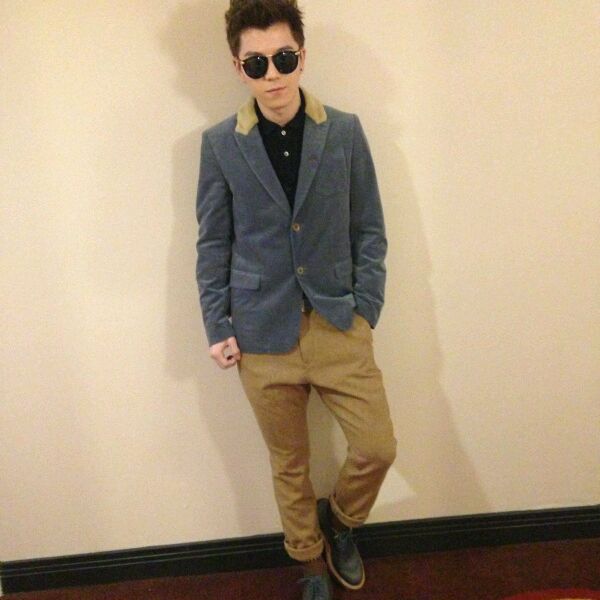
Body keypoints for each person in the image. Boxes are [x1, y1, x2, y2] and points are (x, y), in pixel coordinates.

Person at [194, 1, 397, 597]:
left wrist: (366, 308)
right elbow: (213, 242)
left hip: (337, 321)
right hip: (261, 333)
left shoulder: (345, 131)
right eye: (257, 63)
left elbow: (369, 227)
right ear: (239, 68)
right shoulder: (220, 145)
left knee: (377, 447)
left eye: (284, 58)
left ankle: (342, 523)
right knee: (289, 464)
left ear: (302, 57)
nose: (273, 74)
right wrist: (217, 324)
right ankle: (309, 564)